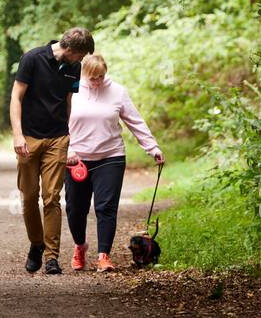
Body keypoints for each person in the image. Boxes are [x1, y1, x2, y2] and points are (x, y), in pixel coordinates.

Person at [66, 54, 164, 272]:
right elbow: (60, 123)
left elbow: (135, 121)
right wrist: (68, 149)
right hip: (77, 160)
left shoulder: (117, 91)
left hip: (111, 157)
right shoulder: (72, 90)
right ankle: (80, 247)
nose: (98, 81)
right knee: (75, 209)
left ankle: (104, 256)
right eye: (93, 78)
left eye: (101, 76)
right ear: (84, 74)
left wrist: (152, 148)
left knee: (106, 208)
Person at [10, 27, 95, 275]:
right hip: (28, 137)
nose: (81, 61)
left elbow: (68, 101)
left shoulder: (74, 68)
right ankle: (36, 244)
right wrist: (17, 134)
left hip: (58, 137)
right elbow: (16, 97)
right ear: (69, 49)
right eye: (80, 55)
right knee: (28, 197)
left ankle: (51, 257)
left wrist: (71, 137)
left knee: (52, 197)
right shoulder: (32, 59)